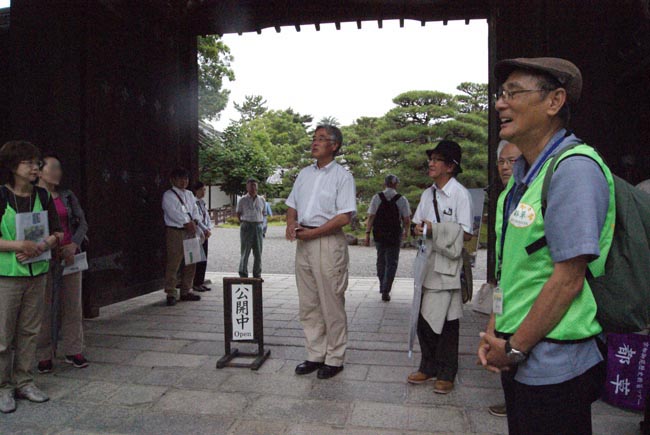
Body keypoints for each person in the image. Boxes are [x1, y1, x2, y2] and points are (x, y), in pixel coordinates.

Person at [478, 57, 614, 435]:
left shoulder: (573, 170)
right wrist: (495, 332)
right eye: (500, 94)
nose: (500, 104)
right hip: (520, 355)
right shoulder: (518, 183)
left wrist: (515, 347)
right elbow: (512, 270)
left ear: (554, 102)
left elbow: (567, 280)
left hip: (556, 361)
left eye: (514, 93)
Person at [286, 124, 356, 380]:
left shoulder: (342, 177)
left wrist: (314, 233)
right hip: (303, 242)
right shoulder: (304, 174)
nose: (315, 142)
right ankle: (315, 353)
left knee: (331, 302)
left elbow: (344, 216)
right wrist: (290, 224)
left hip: (327, 241)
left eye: (322, 139)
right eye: (314, 138)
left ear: (334, 145)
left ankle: (335, 357)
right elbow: (292, 204)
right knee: (308, 302)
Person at [0, 141, 62, 413]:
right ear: (13, 167)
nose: (35, 167)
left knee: (29, 331)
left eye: (36, 162)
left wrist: (45, 244)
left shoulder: (43, 196)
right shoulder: (1, 196)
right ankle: (3, 387)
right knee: (3, 335)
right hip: (7, 275)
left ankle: (24, 380)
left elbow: (57, 232)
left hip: (37, 272)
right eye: (28, 162)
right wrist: (19, 246)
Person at [407, 140, 473, 395]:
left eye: (437, 160)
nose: (431, 164)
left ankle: (447, 372)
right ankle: (428, 365)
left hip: (448, 265)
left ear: (450, 166)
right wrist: (419, 229)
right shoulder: (428, 194)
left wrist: (436, 229)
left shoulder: (460, 194)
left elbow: (466, 233)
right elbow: (417, 225)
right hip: (427, 262)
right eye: (430, 159)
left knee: (447, 320)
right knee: (422, 316)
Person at [36, 154, 90, 374]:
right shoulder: (32, 197)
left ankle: (73, 349)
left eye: (59, 168)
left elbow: (82, 222)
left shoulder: (67, 196)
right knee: (43, 307)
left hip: (69, 257)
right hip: (43, 257)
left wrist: (74, 245)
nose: (58, 172)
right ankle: (44, 354)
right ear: (39, 171)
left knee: (72, 305)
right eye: (53, 167)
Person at [487, 139, 522, 418]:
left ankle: (517, 401)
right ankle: (511, 400)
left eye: (513, 161)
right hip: (506, 285)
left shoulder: (526, 194)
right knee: (502, 336)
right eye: (502, 161)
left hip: (524, 286)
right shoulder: (505, 196)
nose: (506, 167)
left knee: (516, 344)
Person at [364, 174, 411, 302]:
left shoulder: (377, 197)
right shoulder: (401, 199)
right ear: (396, 184)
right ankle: (386, 289)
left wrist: (367, 233)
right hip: (394, 234)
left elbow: (371, 216)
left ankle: (382, 284)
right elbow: (406, 219)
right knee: (392, 262)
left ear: (384, 183)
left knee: (381, 259)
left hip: (379, 233)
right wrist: (406, 232)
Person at [162, 167, 202, 306]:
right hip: (176, 231)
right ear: (173, 180)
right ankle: (171, 292)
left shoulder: (190, 194)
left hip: (191, 230)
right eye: (180, 178)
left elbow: (195, 210)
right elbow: (172, 212)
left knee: (191, 261)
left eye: (186, 178)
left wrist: (195, 221)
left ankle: (186, 290)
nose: (183, 181)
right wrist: (186, 223)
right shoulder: (169, 195)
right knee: (174, 262)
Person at [236, 179, 266, 278]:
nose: (253, 187)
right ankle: (243, 273)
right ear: (247, 187)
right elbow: (238, 213)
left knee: (258, 252)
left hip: (258, 226)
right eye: (251, 185)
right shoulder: (242, 199)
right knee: (245, 251)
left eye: (255, 185)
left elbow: (263, 213)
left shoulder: (261, 199)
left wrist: (262, 226)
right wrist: (244, 223)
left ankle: (257, 274)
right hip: (246, 225)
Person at [191, 181, 212, 292]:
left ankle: (200, 281)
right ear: (196, 190)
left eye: (204, 190)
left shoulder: (203, 203)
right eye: (201, 190)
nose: (203, 192)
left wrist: (208, 228)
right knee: (197, 259)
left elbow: (207, 217)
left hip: (205, 233)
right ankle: (195, 282)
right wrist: (204, 229)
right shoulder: (193, 203)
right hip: (198, 233)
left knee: (204, 259)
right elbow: (196, 219)